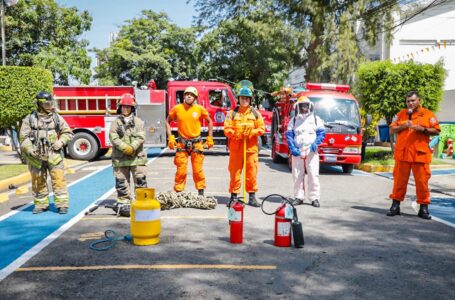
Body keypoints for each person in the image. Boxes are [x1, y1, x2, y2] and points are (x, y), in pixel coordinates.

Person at [387, 91, 440, 220]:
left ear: (419, 100)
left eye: (413, 100)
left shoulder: (427, 114)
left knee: (422, 182)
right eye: (408, 101)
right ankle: (395, 206)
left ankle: (423, 208)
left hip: (419, 154)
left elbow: (437, 130)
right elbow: (391, 130)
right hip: (403, 154)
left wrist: (423, 129)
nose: (410, 103)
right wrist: (404, 125)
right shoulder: (401, 114)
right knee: (399, 181)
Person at [19, 91, 73, 214]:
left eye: (51, 103)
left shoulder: (56, 118)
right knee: (38, 180)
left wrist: (61, 142)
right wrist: (29, 149)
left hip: (54, 155)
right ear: (40, 104)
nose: (50, 106)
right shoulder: (30, 119)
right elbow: (23, 137)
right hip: (36, 156)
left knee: (59, 179)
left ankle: (62, 204)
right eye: (47, 104)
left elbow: (67, 132)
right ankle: (41, 204)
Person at [166, 86, 214, 195]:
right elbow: (167, 121)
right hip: (182, 143)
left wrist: (210, 138)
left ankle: (201, 193)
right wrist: (170, 137)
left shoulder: (199, 109)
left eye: (191, 95)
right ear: (184, 96)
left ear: (195, 98)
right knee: (181, 171)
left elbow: (210, 121)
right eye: (187, 94)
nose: (189, 96)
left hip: (196, 144)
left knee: (198, 170)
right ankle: (179, 193)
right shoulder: (177, 108)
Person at [224, 85, 265, 207]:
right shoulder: (231, 113)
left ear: (250, 100)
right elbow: (226, 129)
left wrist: (252, 132)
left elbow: (262, 128)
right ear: (238, 99)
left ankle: (252, 197)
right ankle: (233, 197)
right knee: (234, 173)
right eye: (242, 98)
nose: (245, 100)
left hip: (251, 149)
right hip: (236, 149)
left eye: (247, 98)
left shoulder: (256, 114)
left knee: (252, 173)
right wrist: (236, 134)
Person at [109, 93, 148, 217]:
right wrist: (124, 147)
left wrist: (132, 147)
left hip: (137, 158)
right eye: (123, 107)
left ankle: (142, 204)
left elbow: (141, 136)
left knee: (140, 181)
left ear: (132, 108)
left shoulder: (139, 122)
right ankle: (124, 204)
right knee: (121, 182)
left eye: (128, 107)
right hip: (120, 159)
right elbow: (113, 137)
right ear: (120, 108)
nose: (126, 109)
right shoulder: (115, 123)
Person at [286, 96, 325, 207]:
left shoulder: (316, 119)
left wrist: (315, 144)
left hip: (311, 152)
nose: (304, 107)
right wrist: (292, 148)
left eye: (306, 105)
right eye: (302, 105)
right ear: (298, 106)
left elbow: (321, 133)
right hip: (297, 151)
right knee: (297, 175)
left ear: (310, 106)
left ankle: (314, 198)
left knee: (313, 174)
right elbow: (289, 135)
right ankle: (298, 197)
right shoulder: (293, 121)